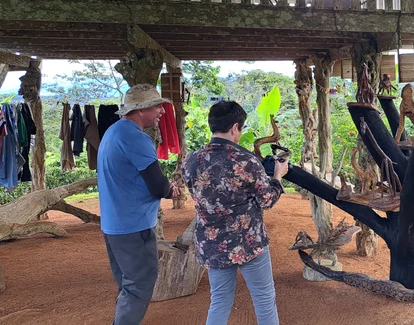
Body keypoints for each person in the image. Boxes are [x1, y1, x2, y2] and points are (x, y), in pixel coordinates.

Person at [183, 101, 288, 325]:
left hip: (212, 244)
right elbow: (266, 200)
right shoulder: (246, 161)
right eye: (240, 129)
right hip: (248, 242)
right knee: (264, 299)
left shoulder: (191, 161)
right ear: (234, 128)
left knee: (219, 300)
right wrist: (278, 177)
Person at [97, 83, 179, 325]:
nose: (162, 112)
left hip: (114, 224)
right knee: (139, 286)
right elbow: (157, 185)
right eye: (157, 107)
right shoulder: (136, 138)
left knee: (127, 284)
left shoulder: (114, 131)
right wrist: (170, 190)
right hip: (134, 225)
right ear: (141, 110)